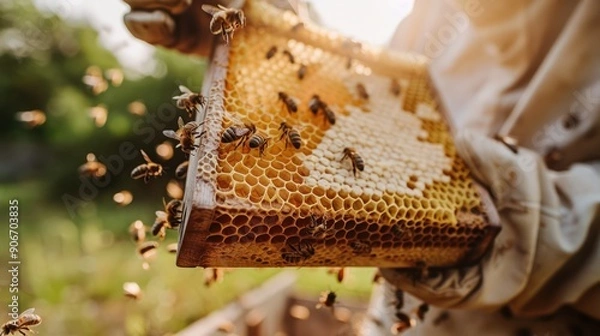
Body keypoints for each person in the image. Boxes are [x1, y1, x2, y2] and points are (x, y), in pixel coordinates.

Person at [122, 1, 600, 334]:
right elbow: (353, 95)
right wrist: (263, 25)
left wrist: (527, 223)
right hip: (398, 319)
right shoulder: (433, 12)